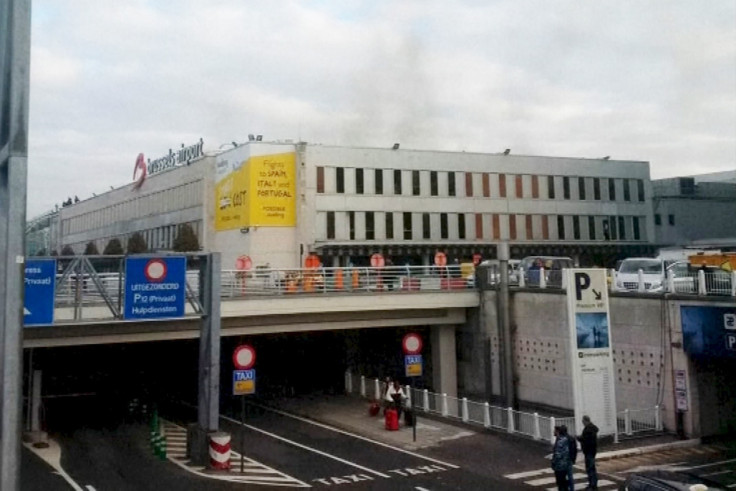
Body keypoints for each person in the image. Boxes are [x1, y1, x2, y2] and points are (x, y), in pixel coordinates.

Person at [577, 415, 599, 490]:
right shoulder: (592, 429)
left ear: (586, 421)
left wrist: (579, 438)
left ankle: (592, 485)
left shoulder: (588, 430)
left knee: (590, 469)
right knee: (592, 468)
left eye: (583, 422)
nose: (582, 423)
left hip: (589, 451)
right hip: (592, 451)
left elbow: (585, 439)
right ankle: (594, 484)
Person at [550, 425, 573, 491]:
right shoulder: (565, 439)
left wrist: (553, 462)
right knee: (563, 482)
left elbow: (558, 455)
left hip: (560, 465)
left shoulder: (560, 441)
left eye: (554, 431)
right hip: (565, 464)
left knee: (560, 483)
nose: (553, 432)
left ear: (557, 432)